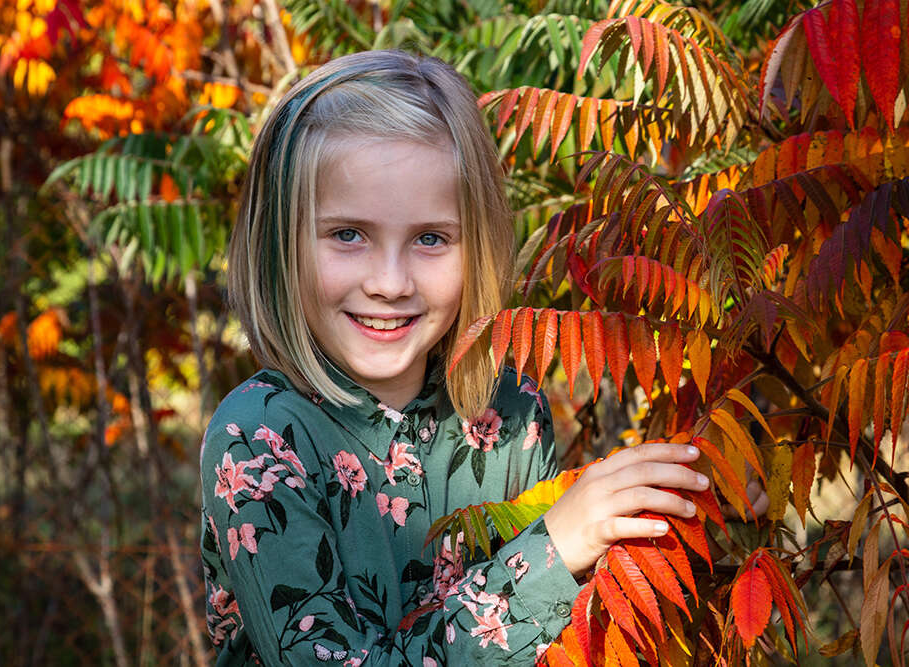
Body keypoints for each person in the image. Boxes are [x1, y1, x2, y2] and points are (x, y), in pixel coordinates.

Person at [199, 50, 755, 666]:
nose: (390, 282)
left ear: (478, 247)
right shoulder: (258, 437)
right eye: (347, 235)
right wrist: (553, 551)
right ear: (281, 245)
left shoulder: (509, 413)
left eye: (430, 239)